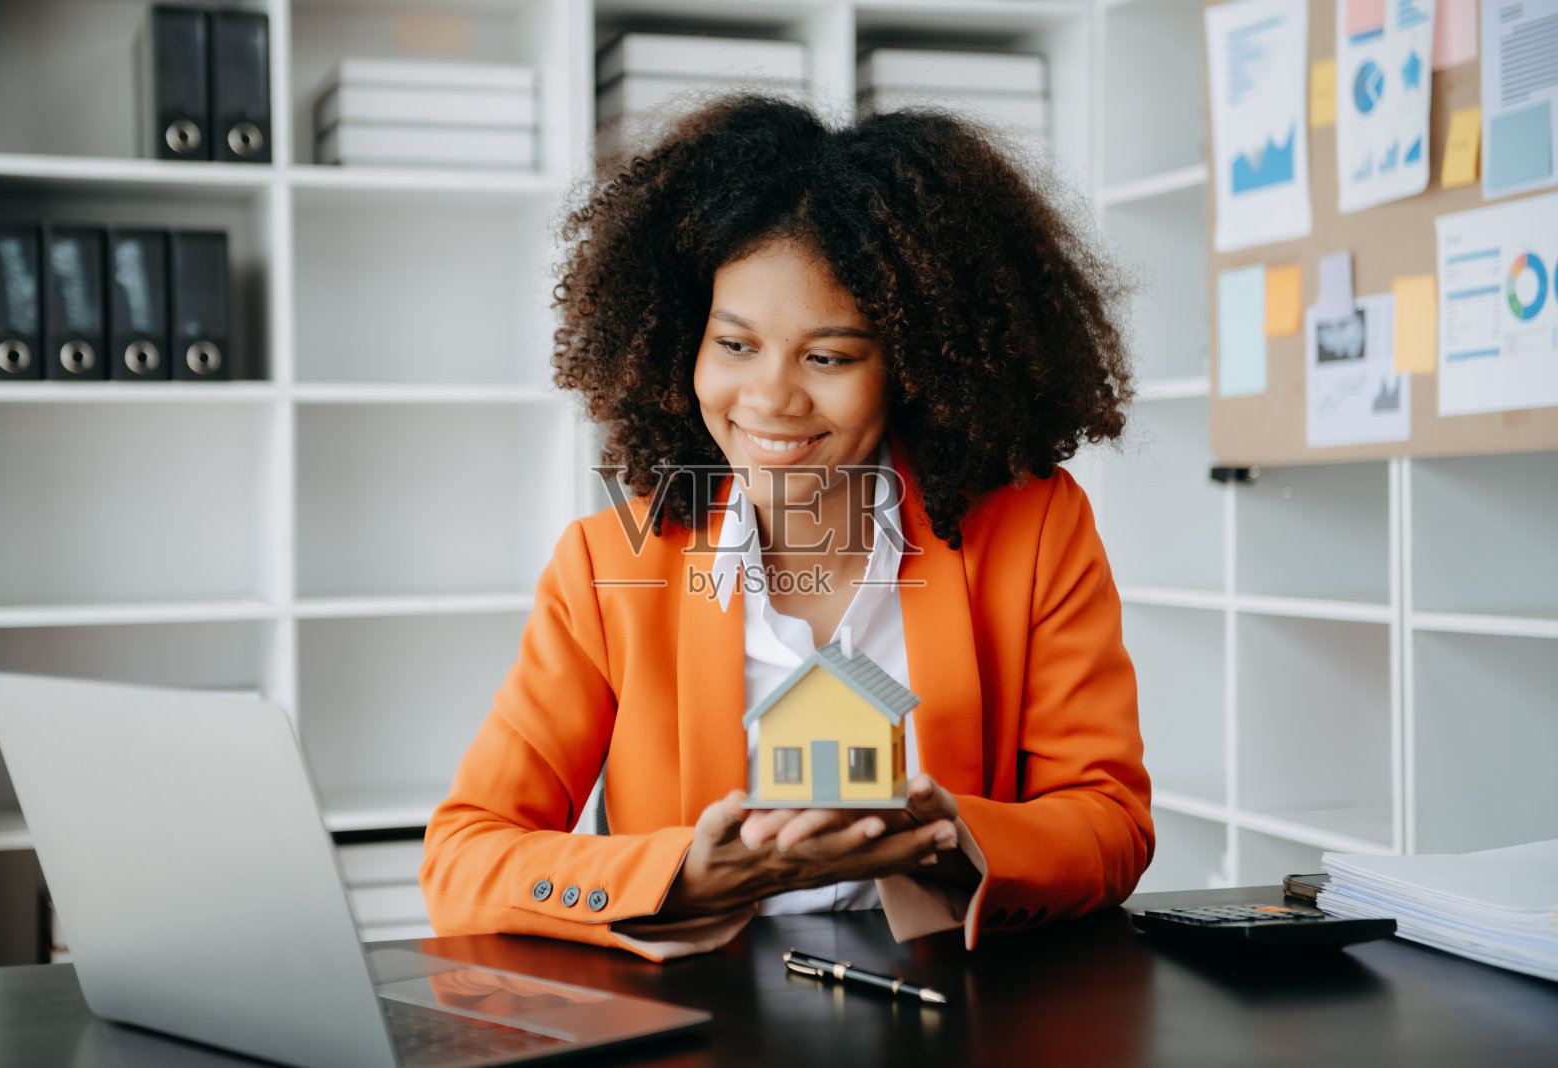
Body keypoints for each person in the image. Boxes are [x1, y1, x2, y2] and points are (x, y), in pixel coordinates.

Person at [421, 95, 1153, 960]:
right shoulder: (607, 566)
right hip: (703, 1021)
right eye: (734, 346)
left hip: (955, 1011)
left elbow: (1108, 820)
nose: (770, 398)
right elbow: (464, 859)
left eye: (828, 357)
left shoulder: (1035, 532)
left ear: (914, 367)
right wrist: (678, 876)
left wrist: (954, 840)